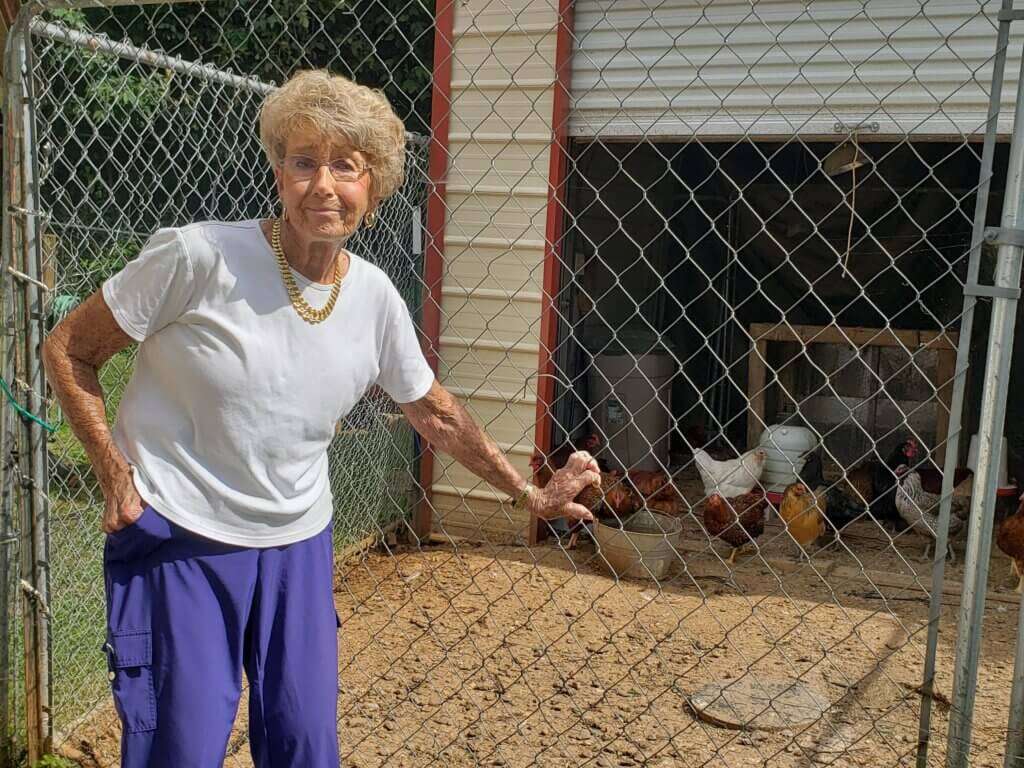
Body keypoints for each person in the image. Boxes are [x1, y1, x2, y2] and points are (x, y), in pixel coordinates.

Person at [41, 69, 599, 768]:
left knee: (306, 743)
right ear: (278, 169)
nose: (324, 186)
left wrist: (528, 493)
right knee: (178, 747)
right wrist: (114, 473)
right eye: (303, 162)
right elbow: (69, 348)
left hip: (296, 546)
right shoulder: (198, 256)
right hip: (181, 536)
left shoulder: (373, 298)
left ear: (375, 186)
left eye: (346, 167)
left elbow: (436, 412)